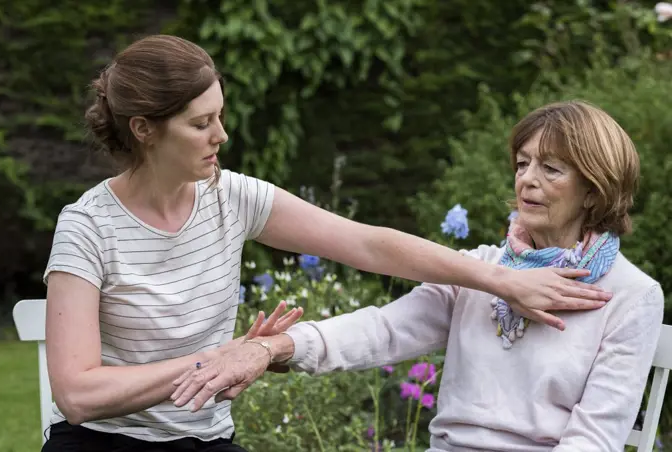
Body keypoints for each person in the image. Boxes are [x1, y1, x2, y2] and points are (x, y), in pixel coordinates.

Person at [41, 34, 610, 452]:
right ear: (143, 128)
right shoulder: (88, 227)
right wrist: (219, 360)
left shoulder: (230, 196)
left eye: (220, 116)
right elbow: (79, 394)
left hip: (207, 442)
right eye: (200, 124)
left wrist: (499, 277)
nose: (222, 135)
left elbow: (368, 245)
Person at [175, 100, 664, 451]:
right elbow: (384, 329)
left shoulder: (630, 294)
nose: (527, 180)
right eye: (521, 163)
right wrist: (275, 347)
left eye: (552, 168)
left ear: (595, 190)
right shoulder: (481, 271)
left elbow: (595, 437)